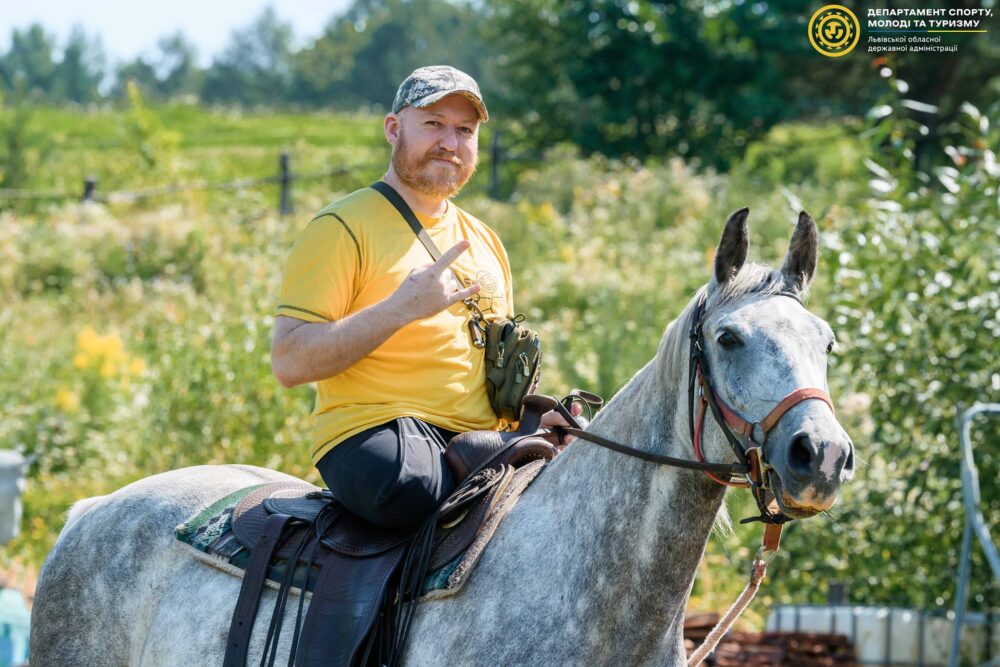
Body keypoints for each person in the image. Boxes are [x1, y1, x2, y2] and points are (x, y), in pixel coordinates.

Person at [270, 65, 575, 531]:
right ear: (394, 129)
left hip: (477, 442)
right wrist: (400, 310)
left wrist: (535, 416)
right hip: (376, 433)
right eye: (434, 124)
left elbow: (493, 365)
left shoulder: (485, 240)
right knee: (418, 489)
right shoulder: (341, 227)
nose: (450, 143)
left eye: (464, 130)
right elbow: (289, 362)